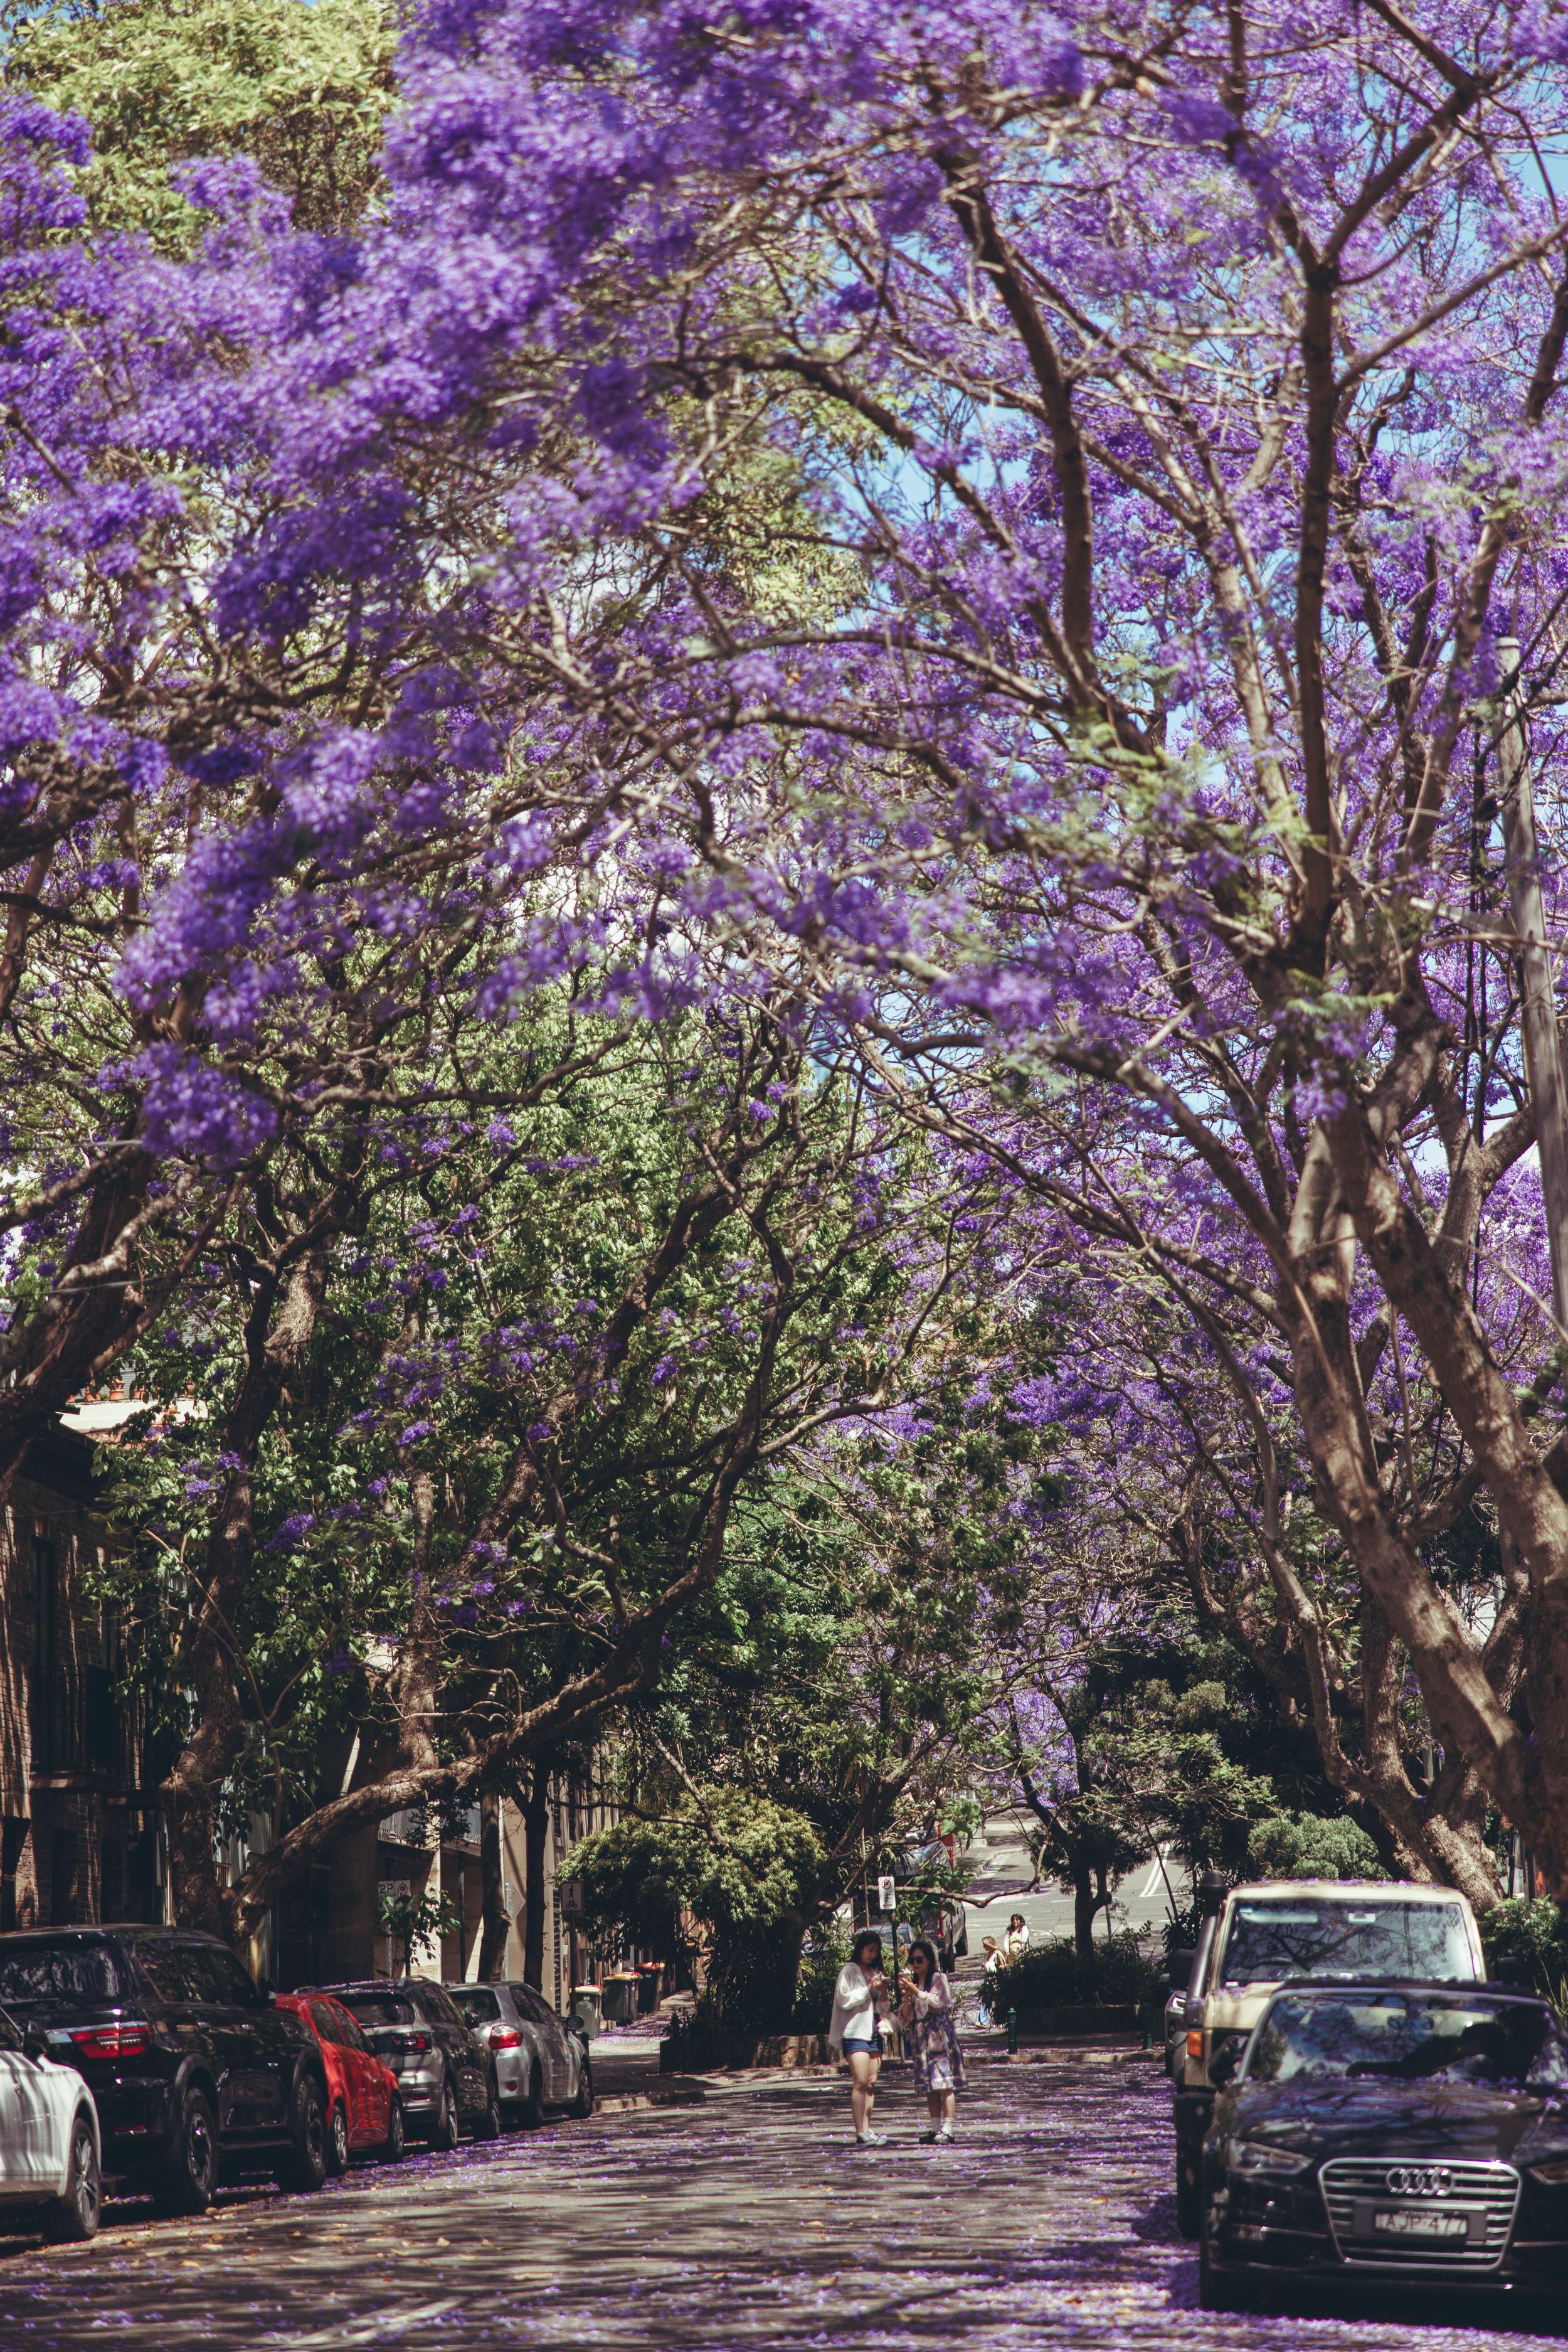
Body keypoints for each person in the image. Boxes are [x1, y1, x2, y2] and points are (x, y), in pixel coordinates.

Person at [900, 1936, 966, 2141]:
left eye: (919, 1959)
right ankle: (936, 2129)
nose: (916, 1964)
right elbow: (906, 2017)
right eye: (912, 1960)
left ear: (929, 1960)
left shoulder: (938, 1978)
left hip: (938, 2037)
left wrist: (916, 1991)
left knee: (944, 2083)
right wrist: (907, 1996)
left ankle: (948, 2129)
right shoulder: (915, 1983)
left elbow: (939, 2003)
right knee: (931, 2086)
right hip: (921, 2040)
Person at [830, 1930, 889, 2144]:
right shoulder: (850, 1970)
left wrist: (883, 1992)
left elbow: (883, 2006)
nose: (873, 1955)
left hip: (875, 2030)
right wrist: (868, 1988)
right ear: (861, 1948)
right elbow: (844, 1999)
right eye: (870, 1950)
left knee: (871, 2083)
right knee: (861, 2081)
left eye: (876, 1952)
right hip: (855, 2032)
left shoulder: (876, 1971)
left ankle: (867, 2128)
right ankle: (860, 2131)